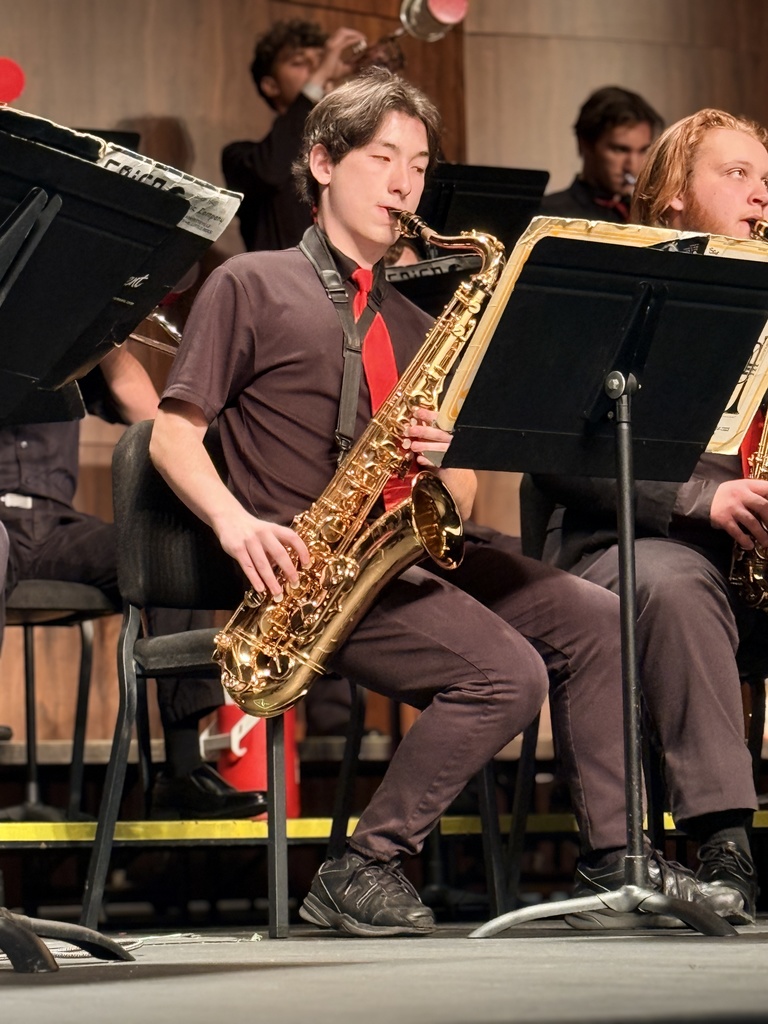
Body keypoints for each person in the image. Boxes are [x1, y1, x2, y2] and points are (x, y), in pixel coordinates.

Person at [149, 67, 722, 938]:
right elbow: (170, 434)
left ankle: (620, 859)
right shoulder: (251, 284)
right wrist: (237, 524)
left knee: (598, 620)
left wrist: (448, 461)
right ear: (323, 162)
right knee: (507, 671)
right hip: (311, 567)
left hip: (407, 550)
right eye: (384, 157)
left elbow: (461, 492)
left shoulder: (418, 321)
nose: (405, 183)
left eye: (418, 164)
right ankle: (365, 864)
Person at [533, 108, 768, 927]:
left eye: (765, 180)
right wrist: (703, 498)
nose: (759, 196)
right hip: (629, 548)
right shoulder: (613, 296)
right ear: (672, 198)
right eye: (735, 175)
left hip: (749, 559)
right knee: (673, 585)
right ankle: (724, 840)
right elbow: (557, 449)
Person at [0, 345, 267, 821]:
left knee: (170, 547)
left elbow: (148, 415)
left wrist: (103, 331)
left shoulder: (59, 343)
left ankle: (183, 770)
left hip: (56, 528)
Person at [222, 18, 367, 253]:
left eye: (320, 60)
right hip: (279, 286)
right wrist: (317, 80)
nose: (317, 69)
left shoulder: (349, 150)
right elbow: (272, 171)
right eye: (300, 63)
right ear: (271, 86)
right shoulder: (241, 157)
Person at [539, 85, 663, 223]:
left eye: (643, 150)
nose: (632, 167)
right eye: (620, 150)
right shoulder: (548, 214)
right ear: (585, 144)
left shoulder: (643, 215)